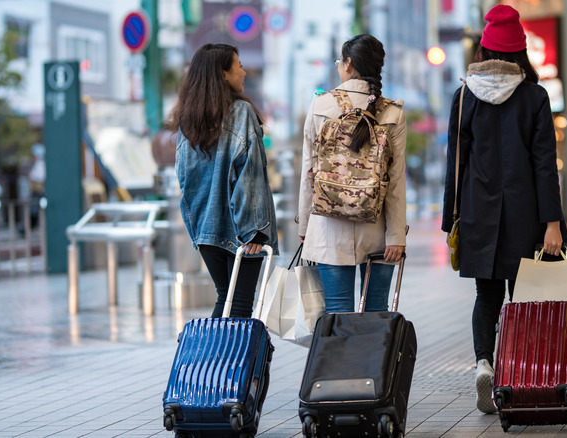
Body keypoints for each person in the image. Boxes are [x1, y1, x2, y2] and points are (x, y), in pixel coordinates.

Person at [441, 5, 567, 414]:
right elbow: (544, 165)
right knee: (528, 300)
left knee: (486, 294)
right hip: (526, 215)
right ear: (521, 52)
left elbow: (455, 165)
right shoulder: (534, 96)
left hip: (479, 215)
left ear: (484, 49)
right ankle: (522, 376)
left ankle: (484, 362)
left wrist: (451, 220)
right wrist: (553, 224)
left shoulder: (464, 97)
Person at [297, 34, 407, 313]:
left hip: (329, 227)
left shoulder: (321, 105)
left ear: (347, 64)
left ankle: (341, 358)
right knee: (376, 312)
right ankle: (373, 359)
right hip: (379, 230)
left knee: (337, 312)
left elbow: (308, 170)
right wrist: (396, 236)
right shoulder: (393, 112)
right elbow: (395, 180)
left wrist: (305, 227)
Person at [169, 43, 278, 319]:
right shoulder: (241, 113)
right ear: (223, 74)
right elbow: (248, 173)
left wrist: (199, 229)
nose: (243, 72)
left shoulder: (188, 120)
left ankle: (212, 360)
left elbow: (184, 177)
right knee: (239, 304)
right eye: (238, 65)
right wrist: (254, 229)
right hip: (243, 230)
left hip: (206, 230)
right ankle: (225, 363)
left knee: (225, 297)